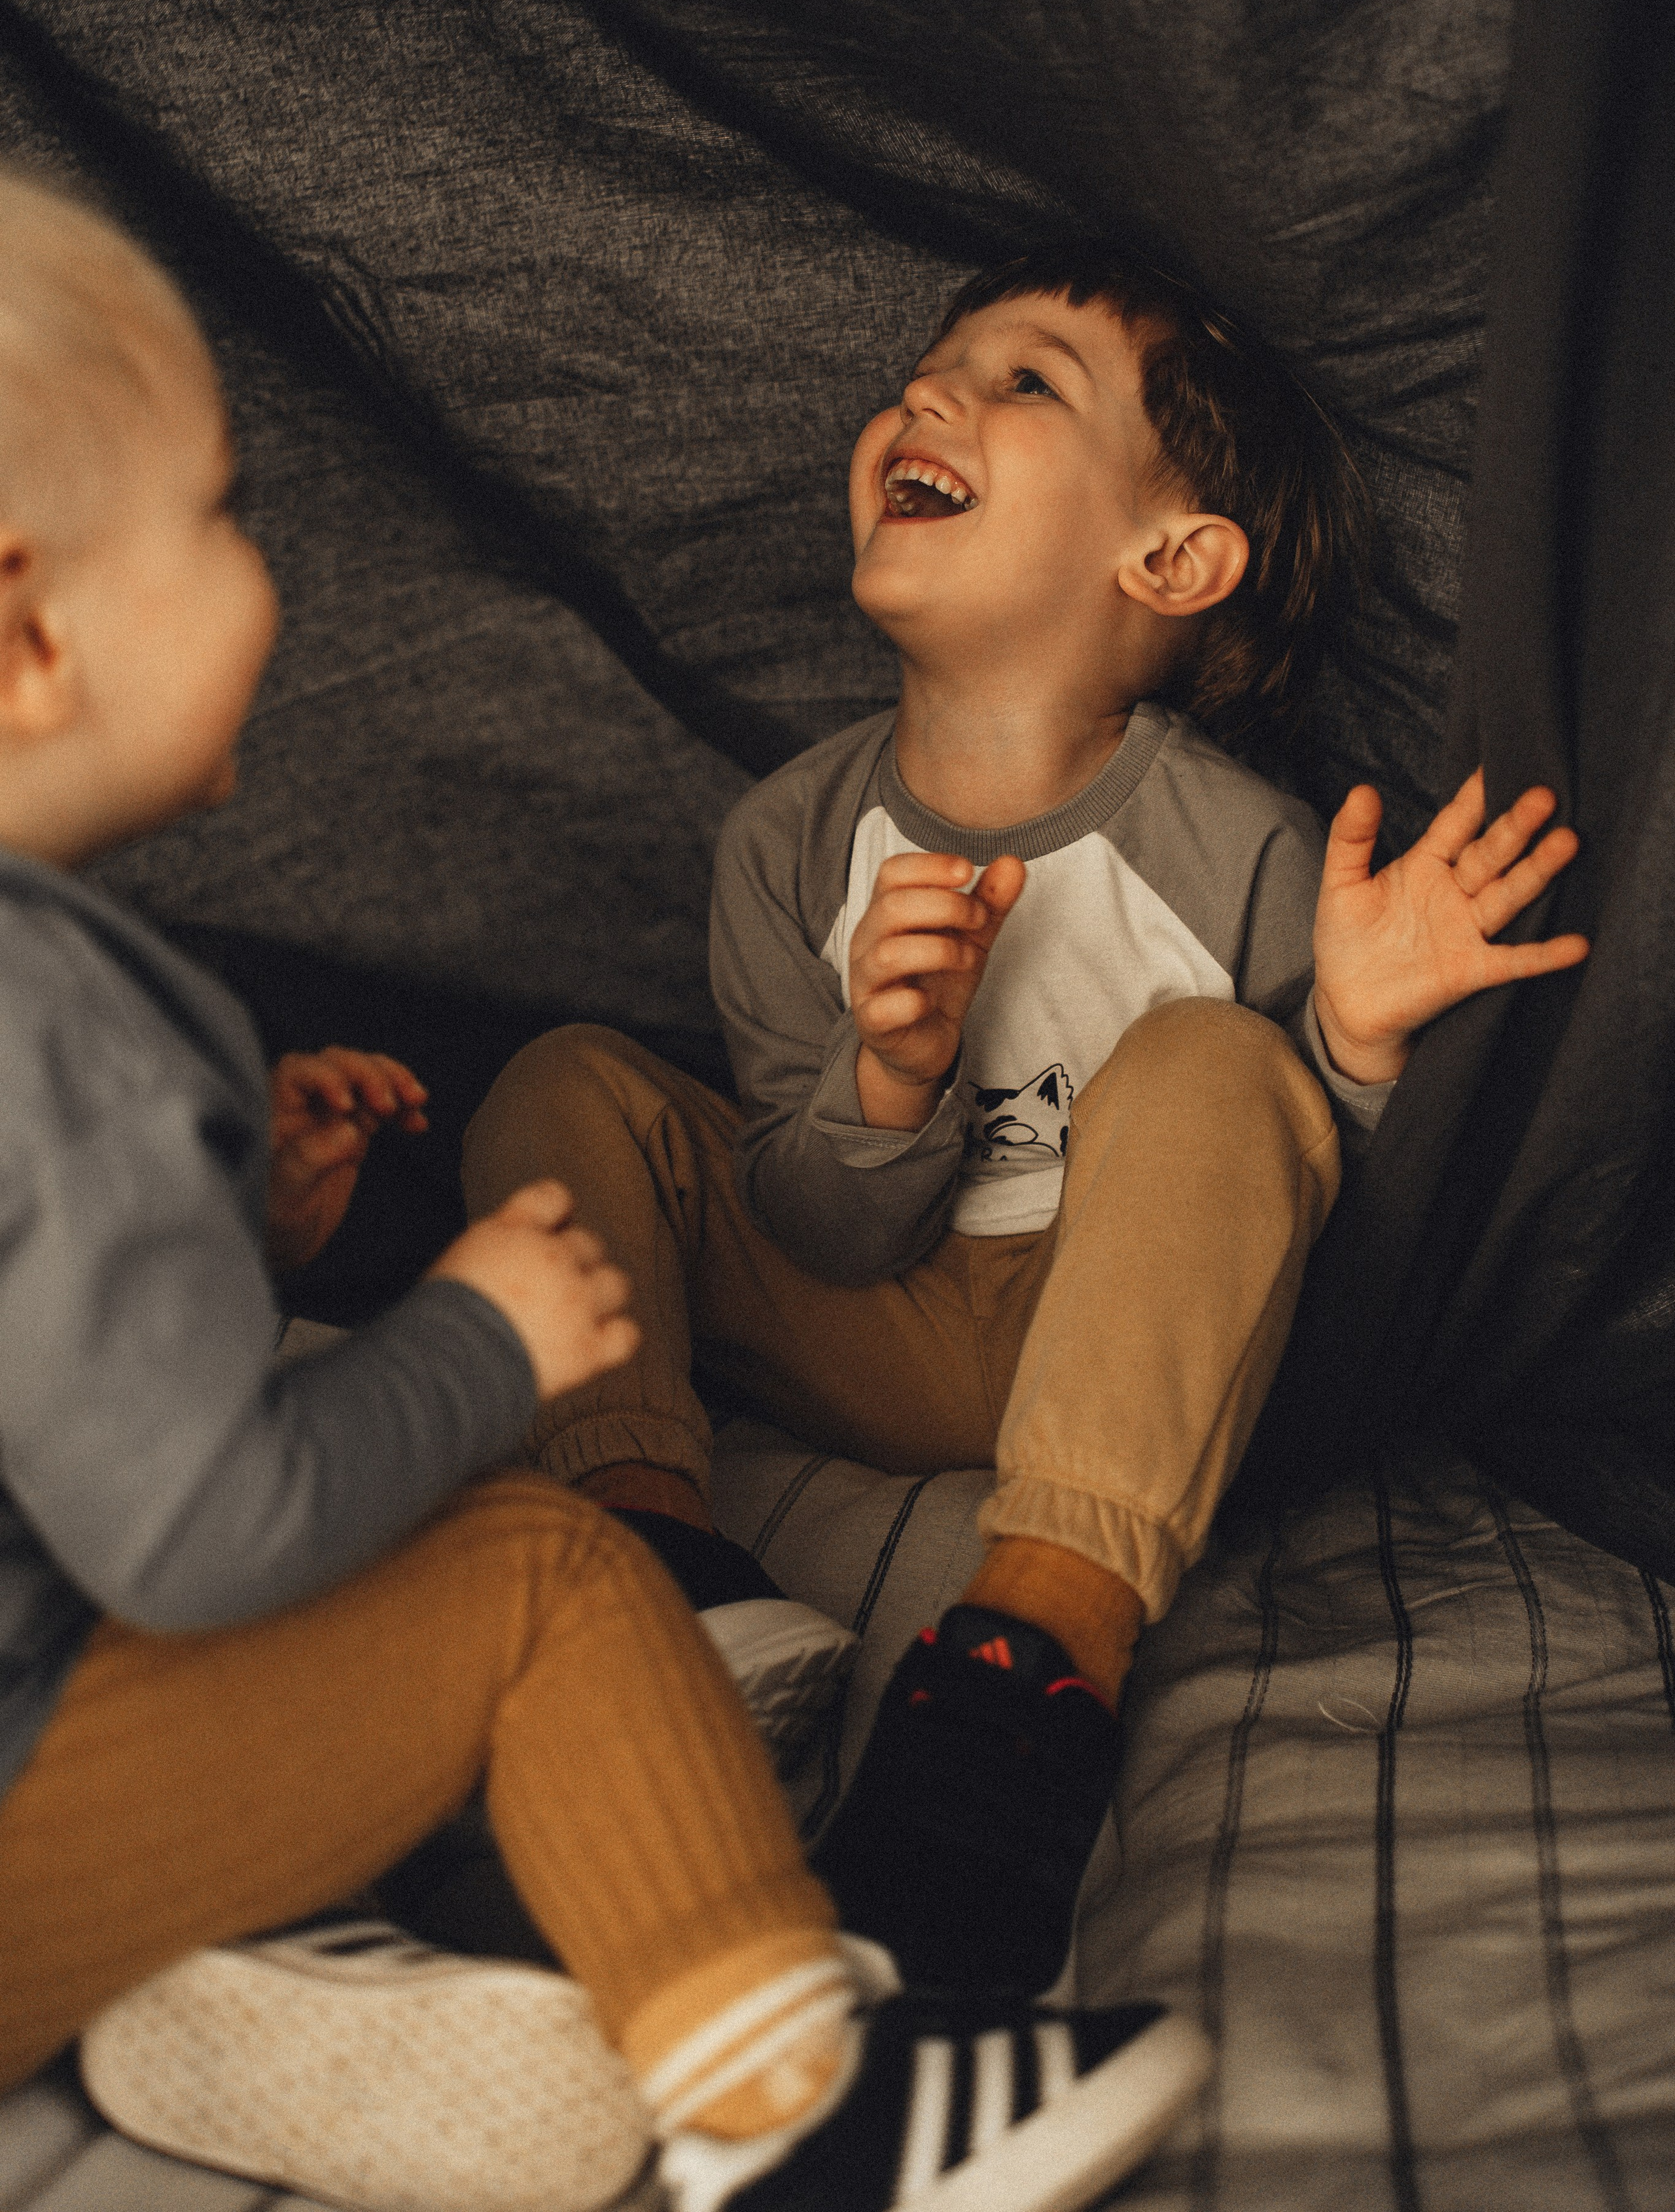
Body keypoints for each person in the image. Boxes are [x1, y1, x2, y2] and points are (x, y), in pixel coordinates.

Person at [0, 177, 1211, 2212]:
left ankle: (276, 1957)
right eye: (221, 513)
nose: (266, 564)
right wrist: (485, 1340)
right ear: (29, 634)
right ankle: (804, 2105)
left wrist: (227, 1237)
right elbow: (205, 1532)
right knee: (530, 1572)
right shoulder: (66, 1033)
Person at [463, 240, 1589, 1996]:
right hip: (874, 1319)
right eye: (937, 366)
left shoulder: (1247, 854)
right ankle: (652, 1553)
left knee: (1223, 1064)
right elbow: (819, 1224)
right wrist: (887, 1080)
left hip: (1113, 1358)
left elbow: (1296, 1263)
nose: (931, 393)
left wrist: (1353, 1045)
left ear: (1172, 557)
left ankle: (1024, 1670)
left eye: (1025, 380)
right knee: (567, 1087)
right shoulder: (790, 839)